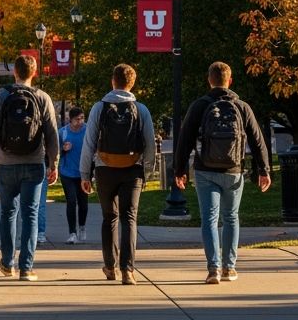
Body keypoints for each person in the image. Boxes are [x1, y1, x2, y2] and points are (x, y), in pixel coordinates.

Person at [173, 61, 272, 284]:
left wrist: (179, 169)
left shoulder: (199, 106)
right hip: (234, 171)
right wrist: (263, 169)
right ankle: (230, 268)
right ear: (230, 80)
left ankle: (213, 269)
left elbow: (185, 139)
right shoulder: (242, 107)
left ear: (209, 80)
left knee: (209, 219)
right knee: (230, 217)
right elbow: (258, 141)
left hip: (205, 170)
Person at [0, 54, 59, 282]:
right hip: (34, 163)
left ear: (14, 72)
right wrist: (53, 163)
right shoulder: (42, 97)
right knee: (30, 215)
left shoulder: (2, 95)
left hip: (6, 164)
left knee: (8, 213)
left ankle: (7, 263)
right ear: (34, 73)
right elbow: (52, 134)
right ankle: (26, 267)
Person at [80, 63, 156, 285]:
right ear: (132, 84)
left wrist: (85, 173)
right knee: (129, 218)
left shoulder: (99, 107)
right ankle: (128, 270)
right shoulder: (141, 110)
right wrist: (147, 171)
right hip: (132, 168)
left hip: (105, 168)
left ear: (113, 81)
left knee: (109, 218)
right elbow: (150, 144)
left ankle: (109, 266)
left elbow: (89, 142)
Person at [58, 107, 89, 243]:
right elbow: (56, 152)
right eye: (77, 119)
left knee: (83, 203)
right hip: (67, 172)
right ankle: (72, 233)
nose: (80, 121)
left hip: (83, 173)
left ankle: (82, 226)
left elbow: (94, 145)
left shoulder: (88, 130)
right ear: (70, 119)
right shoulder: (63, 133)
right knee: (71, 201)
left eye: (82, 118)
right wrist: (63, 150)